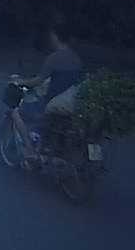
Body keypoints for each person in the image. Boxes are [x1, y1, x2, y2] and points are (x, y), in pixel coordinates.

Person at [11, 22, 83, 162]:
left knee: (16, 112)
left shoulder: (54, 58)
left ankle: (30, 151)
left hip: (51, 103)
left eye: (51, 35)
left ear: (55, 37)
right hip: (71, 103)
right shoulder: (76, 59)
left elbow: (38, 80)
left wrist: (20, 81)